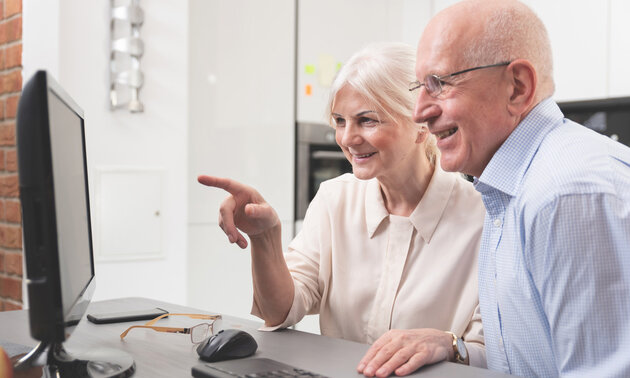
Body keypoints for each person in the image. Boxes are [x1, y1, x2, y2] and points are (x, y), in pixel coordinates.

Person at [199, 42, 487, 377]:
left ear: (421, 124)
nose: (347, 138)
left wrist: (448, 344)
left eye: (366, 120)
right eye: (339, 120)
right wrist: (266, 238)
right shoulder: (333, 199)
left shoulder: (483, 217)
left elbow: (495, 353)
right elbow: (280, 312)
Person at [412, 1, 630, 377]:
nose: (419, 112)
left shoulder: (567, 195)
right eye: (419, 87)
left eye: (440, 83)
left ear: (518, 87)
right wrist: (454, 349)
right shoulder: (509, 191)